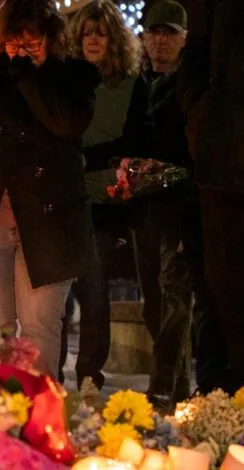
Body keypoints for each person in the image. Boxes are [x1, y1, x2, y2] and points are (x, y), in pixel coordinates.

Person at [0, 0, 99, 379]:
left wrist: (28, 77)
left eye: (32, 45)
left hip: (48, 226)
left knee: (39, 327)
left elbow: (65, 124)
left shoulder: (74, 78)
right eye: (14, 45)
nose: (21, 53)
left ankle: (40, 418)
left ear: (50, 39)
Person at [97, 0, 193, 407]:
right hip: (143, 208)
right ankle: (178, 387)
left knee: (174, 295)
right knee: (154, 303)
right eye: (155, 32)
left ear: (183, 38)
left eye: (169, 33)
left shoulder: (190, 84)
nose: (161, 40)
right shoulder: (137, 85)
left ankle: (162, 387)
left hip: (182, 206)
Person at [61, 0, 142, 390]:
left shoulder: (127, 84)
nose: (93, 40)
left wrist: (86, 158)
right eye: (87, 33)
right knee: (57, 293)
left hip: (104, 202)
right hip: (63, 197)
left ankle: (90, 374)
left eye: (101, 33)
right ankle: (51, 371)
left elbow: (130, 141)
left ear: (113, 39)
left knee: (93, 291)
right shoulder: (65, 80)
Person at [179, 0, 244, 393]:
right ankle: (228, 410)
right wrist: (202, 121)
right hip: (223, 164)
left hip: (220, 152)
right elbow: (197, 50)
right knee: (225, 300)